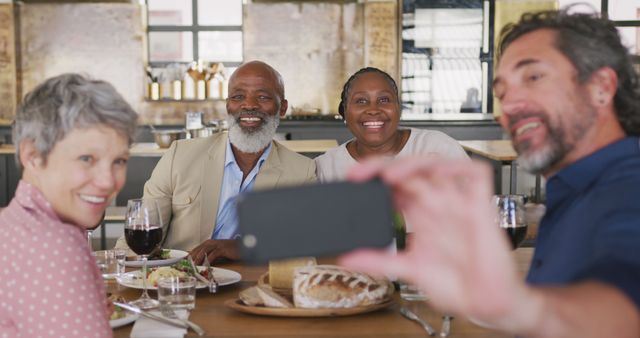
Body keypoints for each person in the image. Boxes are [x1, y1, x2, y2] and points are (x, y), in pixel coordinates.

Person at [339, 9, 640, 337]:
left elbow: (622, 307)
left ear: (601, 85)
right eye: (503, 93)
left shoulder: (627, 189)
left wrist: (512, 304)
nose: (510, 106)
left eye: (534, 78)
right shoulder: (574, 189)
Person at [116, 60, 316, 264]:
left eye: (263, 97)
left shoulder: (301, 172)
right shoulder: (180, 156)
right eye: (239, 97)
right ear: (228, 105)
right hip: (181, 284)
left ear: (282, 108)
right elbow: (141, 230)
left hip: (254, 285)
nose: (249, 105)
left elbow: (305, 243)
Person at [0, 73, 138, 337]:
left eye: (119, 161)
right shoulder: (53, 246)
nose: (108, 182)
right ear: (33, 156)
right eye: (87, 158)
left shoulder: (17, 221)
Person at [314, 67, 467, 182]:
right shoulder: (327, 168)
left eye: (384, 100)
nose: (373, 110)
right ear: (345, 112)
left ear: (398, 109)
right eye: (361, 101)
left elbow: (478, 209)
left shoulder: (436, 148)